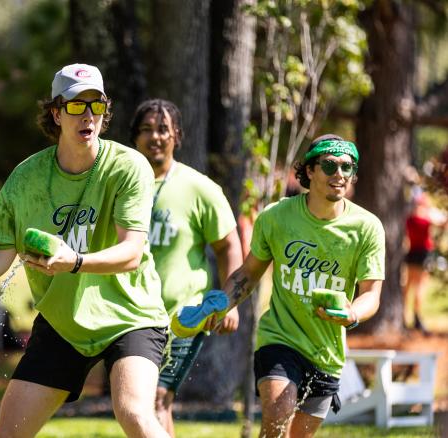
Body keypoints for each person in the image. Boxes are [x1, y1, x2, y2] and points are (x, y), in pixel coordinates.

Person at [0, 63, 170, 438]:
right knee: (9, 432)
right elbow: (0, 255)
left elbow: (131, 252)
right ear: (56, 113)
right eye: (75, 105)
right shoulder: (27, 178)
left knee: (133, 411)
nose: (87, 115)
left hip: (130, 315)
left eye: (96, 105)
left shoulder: (127, 167)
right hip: (62, 322)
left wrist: (75, 262)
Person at [202, 134, 385, 437]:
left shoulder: (366, 228)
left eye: (346, 167)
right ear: (310, 171)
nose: (339, 174)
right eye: (329, 165)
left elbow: (371, 294)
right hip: (280, 338)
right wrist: (224, 303)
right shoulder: (276, 217)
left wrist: (352, 314)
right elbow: (249, 272)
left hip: (327, 351)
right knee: (277, 413)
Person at [129, 98, 243, 436]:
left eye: (163, 129)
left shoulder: (200, 188)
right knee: (140, 401)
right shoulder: (121, 184)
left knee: (158, 397)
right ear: (134, 137)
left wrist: (229, 301)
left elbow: (228, 245)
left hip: (183, 315)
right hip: (129, 312)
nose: (155, 137)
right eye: (146, 129)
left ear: (177, 135)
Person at [404, 192, 445, 334]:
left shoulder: (409, 219)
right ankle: (417, 318)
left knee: (408, 286)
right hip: (423, 254)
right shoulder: (426, 218)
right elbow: (442, 223)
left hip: (411, 254)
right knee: (419, 287)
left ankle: (405, 317)